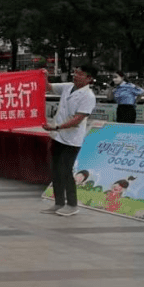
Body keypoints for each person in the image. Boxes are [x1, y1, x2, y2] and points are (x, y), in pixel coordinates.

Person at [41, 65, 98, 217]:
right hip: (58, 137)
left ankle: (72, 204)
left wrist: (56, 126)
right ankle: (58, 202)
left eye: (80, 73)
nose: (76, 75)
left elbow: (77, 120)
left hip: (72, 140)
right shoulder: (67, 87)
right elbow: (48, 88)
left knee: (65, 171)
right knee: (55, 170)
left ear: (89, 78)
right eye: (75, 72)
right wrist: (44, 76)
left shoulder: (88, 96)